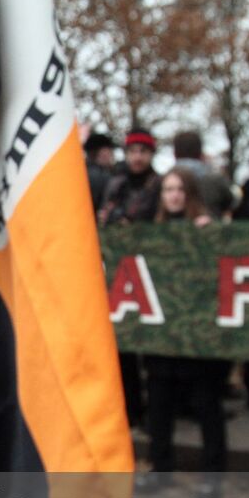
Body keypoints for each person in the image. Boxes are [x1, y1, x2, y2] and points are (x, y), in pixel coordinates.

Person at [137, 170, 228, 492]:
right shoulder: (154, 233)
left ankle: (212, 475)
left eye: (179, 189)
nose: (173, 195)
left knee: (206, 406)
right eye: (168, 189)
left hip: (199, 340)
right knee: (159, 408)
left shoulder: (209, 228)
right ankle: (160, 469)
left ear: (190, 193)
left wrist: (213, 234)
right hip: (163, 339)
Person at [99, 127, 159, 428]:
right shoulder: (116, 185)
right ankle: (130, 410)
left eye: (143, 152)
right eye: (133, 151)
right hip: (121, 274)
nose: (137, 157)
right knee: (123, 353)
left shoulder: (158, 185)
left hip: (151, 276)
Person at [170, 130, 234, 220]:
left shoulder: (164, 181)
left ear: (174, 154)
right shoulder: (216, 180)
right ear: (201, 154)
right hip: (210, 231)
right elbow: (230, 202)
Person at [84, 129, 116, 211]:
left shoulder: (82, 173)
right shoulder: (101, 176)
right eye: (109, 151)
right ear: (102, 152)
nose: (111, 156)